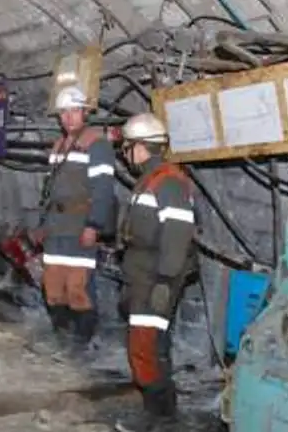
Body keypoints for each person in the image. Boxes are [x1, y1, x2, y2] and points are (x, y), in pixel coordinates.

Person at [114, 113, 198, 432]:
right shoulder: (151, 179)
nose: (126, 154)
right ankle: (159, 410)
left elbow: (177, 235)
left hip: (155, 277)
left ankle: (160, 415)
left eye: (128, 147)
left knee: (147, 347)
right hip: (142, 274)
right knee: (148, 345)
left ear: (141, 146)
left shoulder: (169, 182)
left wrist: (164, 281)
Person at [37, 85, 118, 347]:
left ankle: (84, 340)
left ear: (85, 112)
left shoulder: (97, 145)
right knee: (53, 286)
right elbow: (49, 190)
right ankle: (61, 334)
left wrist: (93, 225)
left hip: (79, 226)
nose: (68, 117)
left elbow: (103, 190)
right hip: (56, 228)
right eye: (63, 112)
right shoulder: (59, 146)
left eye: (74, 111)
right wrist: (42, 224)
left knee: (78, 288)